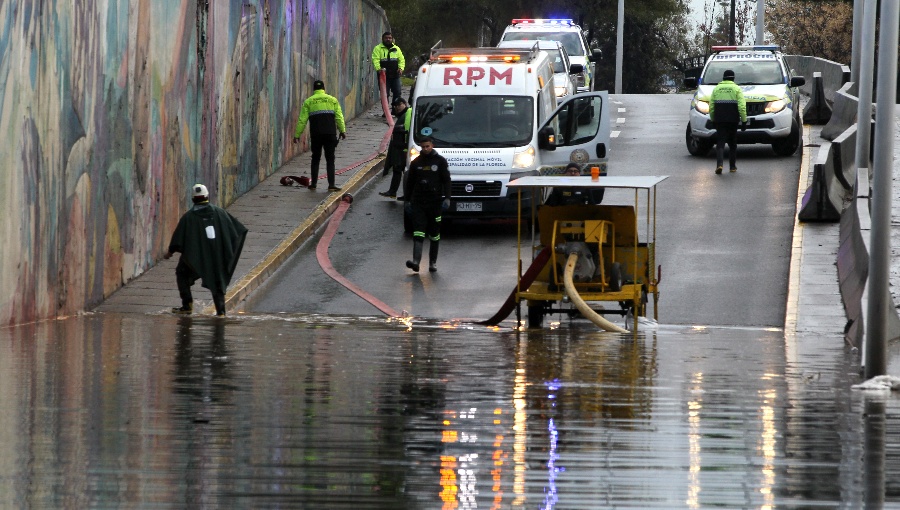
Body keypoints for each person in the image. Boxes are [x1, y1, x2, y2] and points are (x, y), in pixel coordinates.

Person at [164, 184, 248, 316]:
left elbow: (178, 239)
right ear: (207, 197)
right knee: (217, 282)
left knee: (182, 273)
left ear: (193, 199)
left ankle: (187, 306)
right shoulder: (220, 213)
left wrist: (169, 253)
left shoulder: (189, 217)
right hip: (217, 258)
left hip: (196, 258)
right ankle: (221, 312)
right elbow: (236, 231)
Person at [403, 137, 451, 273]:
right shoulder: (416, 163)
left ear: (432, 146)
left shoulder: (440, 161)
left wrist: (447, 198)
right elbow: (410, 183)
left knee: (434, 235)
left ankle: (432, 263)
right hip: (419, 202)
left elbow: (447, 181)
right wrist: (407, 201)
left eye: (427, 146)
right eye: (423, 147)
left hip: (435, 203)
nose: (425, 149)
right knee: (418, 232)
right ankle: (416, 262)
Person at [293, 80, 347, 191]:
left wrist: (297, 135)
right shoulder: (332, 100)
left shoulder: (309, 102)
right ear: (324, 88)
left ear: (314, 89)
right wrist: (342, 130)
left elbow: (302, 120)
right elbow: (339, 117)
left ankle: (313, 185)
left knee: (315, 159)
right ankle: (331, 185)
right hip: (330, 134)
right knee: (330, 159)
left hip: (316, 134)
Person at [709, 69, 747, 174]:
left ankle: (719, 165)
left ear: (723, 78)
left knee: (720, 143)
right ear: (733, 78)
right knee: (732, 144)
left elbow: (711, 107)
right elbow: (742, 107)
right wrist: (744, 121)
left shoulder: (716, 89)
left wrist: (713, 119)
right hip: (733, 120)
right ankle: (732, 167)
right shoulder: (736, 89)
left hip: (720, 120)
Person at [379, 97, 413, 198]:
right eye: (395, 105)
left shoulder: (408, 113)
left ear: (405, 104)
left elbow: (407, 130)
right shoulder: (402, 115)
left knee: (400, 169)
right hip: (399, 147)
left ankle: (404, 194)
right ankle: (395, 192)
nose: (397, 107)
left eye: (399, 105)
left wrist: (406, 147)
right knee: (398, 169)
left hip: (404, 147)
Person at [372, 31, 405, 107]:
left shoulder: (396, 49)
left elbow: (401, 60)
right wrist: (379, 69)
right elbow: (375, 59)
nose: (388, 39)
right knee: (385, 94)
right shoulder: (378, 49)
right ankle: (386, 112)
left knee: (397, 92)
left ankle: (395, 110)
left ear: (392, 39)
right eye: (386, 38)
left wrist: (401, 68)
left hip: (395, 75)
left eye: (390, 38)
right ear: (383, 39)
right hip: (383, 76)